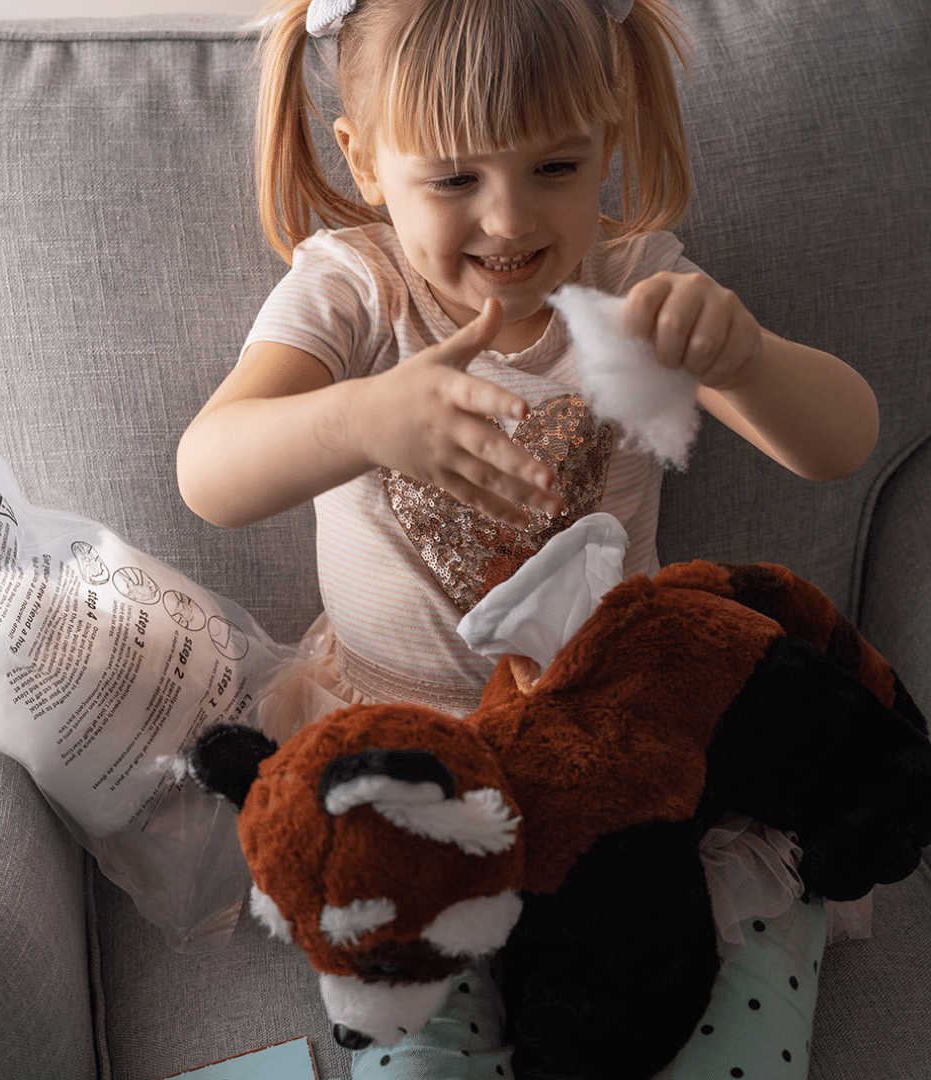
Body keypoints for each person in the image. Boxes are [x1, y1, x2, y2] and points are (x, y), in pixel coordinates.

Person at [176, 0, 880, 1076]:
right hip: (409, 757)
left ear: (607, 145)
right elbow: (210, 471)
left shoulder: (634, 287)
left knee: (692, 1020)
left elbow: (842, 442)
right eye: (455, 179)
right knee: (420, 1047)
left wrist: (746, 361)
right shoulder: (356, 291)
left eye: (554, 167)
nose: (508, 221)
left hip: (617, 734)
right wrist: (360, 419)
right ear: (365, 159)